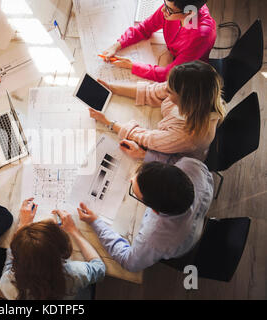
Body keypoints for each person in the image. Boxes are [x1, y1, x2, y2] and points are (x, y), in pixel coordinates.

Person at [77, 142, 214, 273]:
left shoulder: (155, 238)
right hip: (196, 219)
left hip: (182, 244)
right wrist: (144, 154)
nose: (131, 179)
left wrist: (95, 222)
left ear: (154, 210)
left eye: (134, 190)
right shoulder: (192, 165)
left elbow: (129, 262)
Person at [89, 60, 226, 160]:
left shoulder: (187, 136)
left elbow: (146, 138)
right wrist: (113, 88)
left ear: (185, 101)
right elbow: (151, 91)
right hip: (165, 139)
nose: (165, 90)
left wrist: (108, 122)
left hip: (172, 160)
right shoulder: (202, 96)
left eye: (170, 91)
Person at [0, 198, 106, 300]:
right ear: (63, 250)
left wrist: (23, 226)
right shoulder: (73, 274)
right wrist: (74, 231)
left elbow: (11, 259)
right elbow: (99, 268)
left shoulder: (7, 282)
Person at [102, 0, 216, 82]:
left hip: (189, 74)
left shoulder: (201, 36)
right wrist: (117, 45)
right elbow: (145, 27)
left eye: (169, 10)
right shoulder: (174, 7)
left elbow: (170, 74)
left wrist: (132, 66)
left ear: (189, 13)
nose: (162, 9)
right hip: (172, 57)